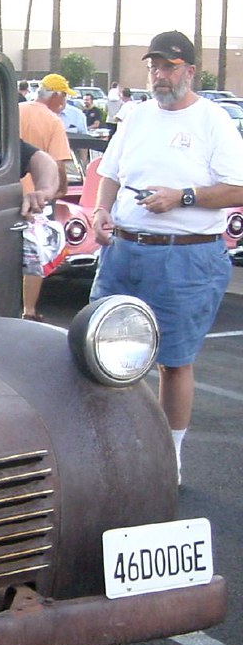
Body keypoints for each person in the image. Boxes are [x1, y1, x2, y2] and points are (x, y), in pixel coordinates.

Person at [90, 30, 243, 484]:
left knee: (173, 361)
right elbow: (110, 173)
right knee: (99, 352)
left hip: (187, 258)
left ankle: (168, 460)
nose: (160, 74)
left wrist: (183, 197)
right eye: (155, 65)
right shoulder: (135, 117)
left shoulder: (213, 121)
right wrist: (101, 211)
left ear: (190, 71)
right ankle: (109, 449)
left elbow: (237, 188)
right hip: (123, 252)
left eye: (170, 66)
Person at [18, 72, 75, 320]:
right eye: (63, 97)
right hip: (37, 195)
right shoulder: (53, 121)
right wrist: (60, 190)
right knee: (34, 251)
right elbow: (58, 164)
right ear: (56, 96)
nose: (64, 104)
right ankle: (28, 308)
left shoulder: (17, 110)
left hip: (8, 190)